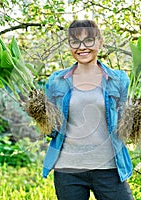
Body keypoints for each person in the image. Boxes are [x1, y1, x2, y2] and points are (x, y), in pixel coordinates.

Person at [43, 19, 134, 200]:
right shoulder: (56, 81)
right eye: (75, 41)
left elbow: (126, 126)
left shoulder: (118, 80)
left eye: (89, 40)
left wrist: (140, 115)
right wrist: (37, 114)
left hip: (109, 168)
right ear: (69, 45)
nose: (82, 47)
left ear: (100, 42)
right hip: (68, 170)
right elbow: (51, 129)